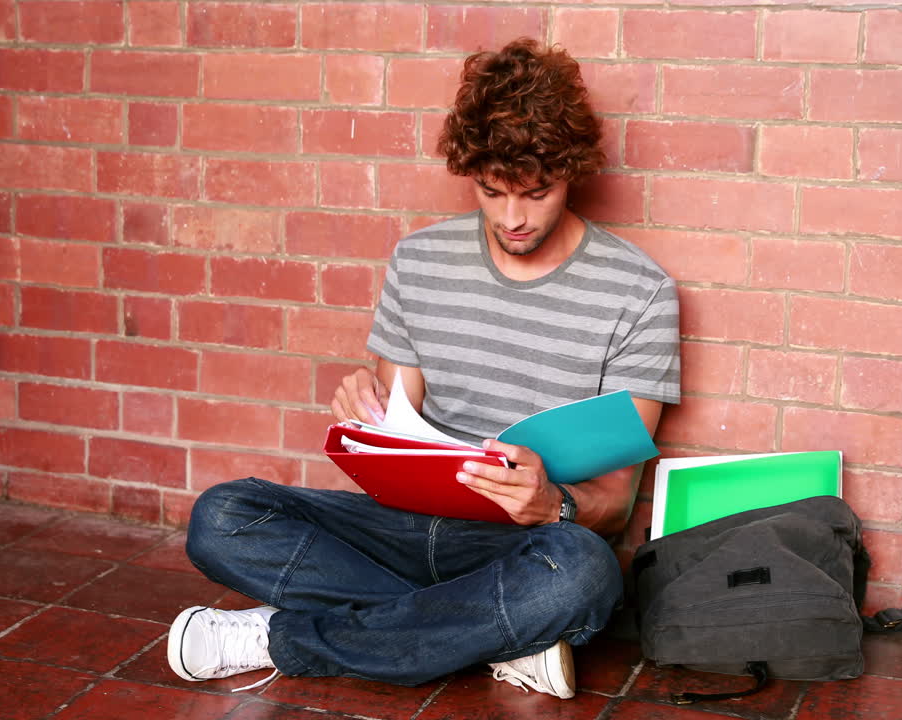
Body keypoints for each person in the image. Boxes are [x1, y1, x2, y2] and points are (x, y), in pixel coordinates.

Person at [166, 37, 681, 699]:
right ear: (470, 172)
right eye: (492, 192)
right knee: (223, 517)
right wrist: (366, 409)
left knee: (582, 575)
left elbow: (613, 503)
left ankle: (281, 639)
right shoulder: (420, 260)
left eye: (537, 193)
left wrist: (551, 502)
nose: (513, 218)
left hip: (520, 545)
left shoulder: (640, 293)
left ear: (572, 171)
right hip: (400, 530)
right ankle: (494, 632)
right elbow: (396, 431)